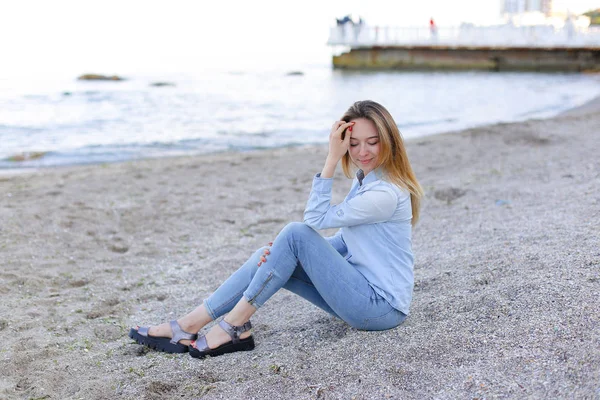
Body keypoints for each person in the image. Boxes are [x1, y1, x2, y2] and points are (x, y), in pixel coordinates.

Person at [129, 100, 424, 359]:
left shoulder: (384, 193)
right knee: (270, 252)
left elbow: (315, 219)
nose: (362, 151)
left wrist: (332, 158)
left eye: (372, 142)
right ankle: (188, 326)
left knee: (296, 234)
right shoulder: (368, 180)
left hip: (379, 308)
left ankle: (233, 325)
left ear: (388, 140)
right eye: (353, 142)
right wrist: (289, 256)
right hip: (362, 295)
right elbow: (348, 241)